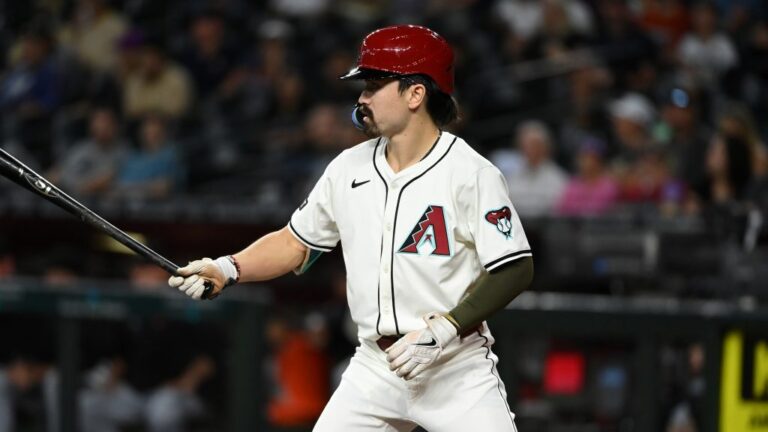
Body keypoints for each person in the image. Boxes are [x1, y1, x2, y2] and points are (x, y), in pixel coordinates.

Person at [169, 24, 533, 431]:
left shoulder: (470, 172)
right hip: (375, 367)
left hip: (454, 366)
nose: (362, 97)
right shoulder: (348, 167)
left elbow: (515, 267)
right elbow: (295, 242)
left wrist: (444, 329)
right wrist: (226, 268)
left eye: (375, 84)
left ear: (416, 93)